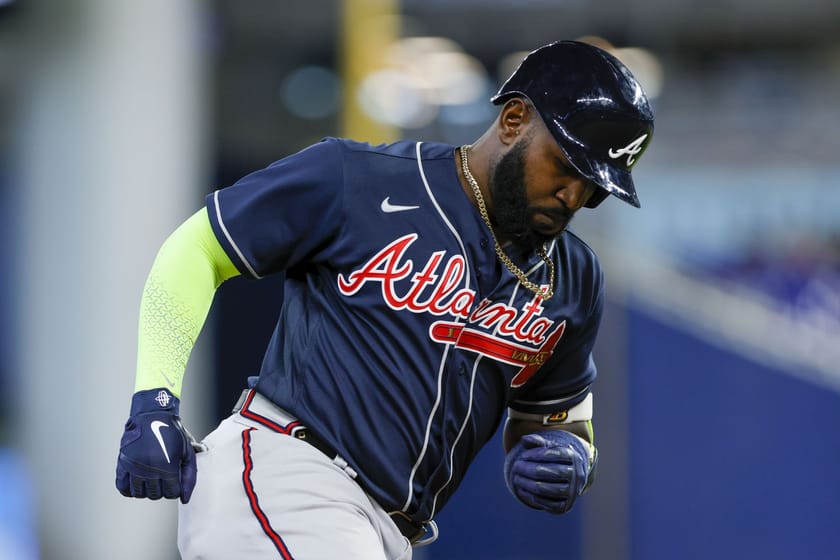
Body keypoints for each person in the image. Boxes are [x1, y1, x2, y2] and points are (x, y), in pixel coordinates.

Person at [115, 39, 654, 560]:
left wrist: (573, 453)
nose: (575, 195)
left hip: (388, 532)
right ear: (514, 120)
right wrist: (154, 401)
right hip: (290, 474)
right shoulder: (358, 179)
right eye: (566, 166)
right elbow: (196, 249)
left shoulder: (573, 277)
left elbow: (559, 416)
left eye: (595, 187)